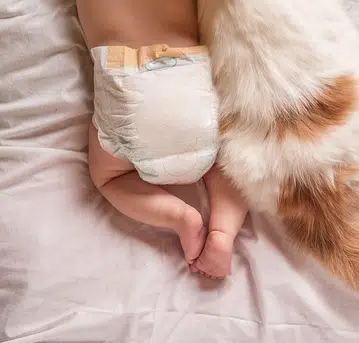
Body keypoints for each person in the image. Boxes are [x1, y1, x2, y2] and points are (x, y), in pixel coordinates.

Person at [77, 0, 248, 279]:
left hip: (127, 79)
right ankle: (223, 232)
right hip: (190, 73)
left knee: (109, 178)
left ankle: (179, 217)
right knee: (226, 162)